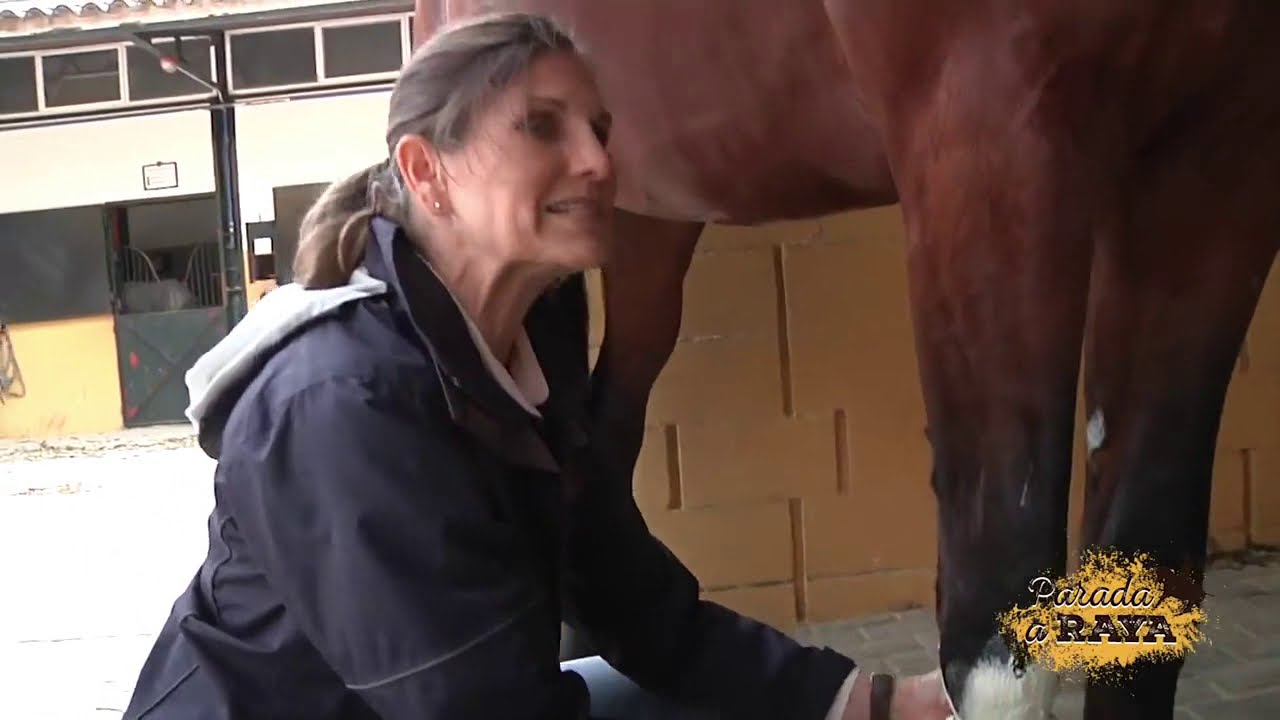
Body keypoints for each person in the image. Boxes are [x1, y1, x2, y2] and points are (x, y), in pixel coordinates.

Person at [120, 11, 954, 720]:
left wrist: (863, 702)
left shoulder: (536, 331)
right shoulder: (342, 401)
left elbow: (621, 588)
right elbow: (471, 703)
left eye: (601, 130)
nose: (599, 162)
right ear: (426, 172)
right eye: (543, 126)